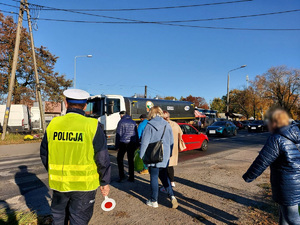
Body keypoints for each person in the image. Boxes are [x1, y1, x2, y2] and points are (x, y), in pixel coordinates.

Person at [40, 89, 111, 225]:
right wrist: (104, 182)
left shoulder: (53, 125)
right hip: (84, 187)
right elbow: (102, 158)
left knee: (58, 219)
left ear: (66, 104)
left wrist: (55, 172)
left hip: (59, 184)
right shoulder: (92, 125)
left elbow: (45, 154)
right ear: (85, 106)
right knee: (78, 220)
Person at [243, 109, 300, 225]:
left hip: (287, 185)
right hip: (297, 181)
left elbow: (262, 160)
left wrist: (249, 176)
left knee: (292, 219)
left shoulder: (276, 138)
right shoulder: (296, 133)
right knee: (284, 215)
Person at [140, 106, 178, 209]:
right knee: (164, 177)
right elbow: (171, 142)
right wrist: (169, 154)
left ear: (151, 113)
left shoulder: (149, 125)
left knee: (153, 177)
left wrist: (141, 155)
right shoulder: (167, 125)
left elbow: (144, 142)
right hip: (164, 156)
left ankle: (154, 201)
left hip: (153, 156)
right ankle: (172, 196)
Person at [161, 111, 186, 191]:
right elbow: (181, 133)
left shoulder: (163, 125)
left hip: (164, 147)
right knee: (170, 165)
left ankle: (166, 185)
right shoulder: (175, 124)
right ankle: (172, 182)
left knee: (164, 167)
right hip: (174, 147)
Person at [116, 111, 139, 182]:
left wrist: (117, 145)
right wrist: (137, 143)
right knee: (130, 160)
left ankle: (122, 175)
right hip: (132, 143)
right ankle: (131, 177)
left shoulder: (121, 122)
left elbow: (118, 134)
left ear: (122, 115)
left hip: (123, 142)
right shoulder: (133, 122)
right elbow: (136, 133)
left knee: (119, 159)